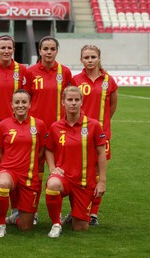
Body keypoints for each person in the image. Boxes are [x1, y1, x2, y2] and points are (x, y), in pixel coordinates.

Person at [45, 86, 107, 238]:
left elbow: (101, 153)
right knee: (52, 184)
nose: (73, 103)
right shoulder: (55, 127)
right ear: (63, 102)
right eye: (70, 100)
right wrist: (52, 168)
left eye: (76, 100)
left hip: (84, 181)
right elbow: (49, 149)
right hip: (64, 177)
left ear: (82, 102)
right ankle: (56, 223)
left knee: (80, 228)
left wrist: (102, 181)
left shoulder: (93, 125)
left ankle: (75, 214)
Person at [22, 36, 72, 224]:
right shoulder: (30, 72)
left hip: (59, 131)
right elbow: (25, 100)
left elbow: (71, 99)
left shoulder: (65, 72)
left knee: (59, 172)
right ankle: (31, 210)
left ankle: (56, 212)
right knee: (35, 172)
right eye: (45, 49)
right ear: (40, 51)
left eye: (52, 49)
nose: (49, 52)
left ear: (57, 51)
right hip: (35, 130)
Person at [71, 45, 118, 225]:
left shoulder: (109, 81)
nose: (90, 60)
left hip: (100, 135)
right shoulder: (76, 80)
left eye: (93, 57)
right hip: (78, 135)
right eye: (86, 57)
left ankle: (93, 213)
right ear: (81, 60)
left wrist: (100, 126)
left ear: (99, 58)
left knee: (98, 174)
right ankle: (78, 210)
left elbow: (112, 106)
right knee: (78, 173)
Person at [0, 89, 47, 238]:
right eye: (17, 102)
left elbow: (42, 151)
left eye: (24, 102)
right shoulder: (3, 124)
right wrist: (7, 165)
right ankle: (1, 225)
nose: (20, 105)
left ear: (30, 105)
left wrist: (31, 164)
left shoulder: (40, 125)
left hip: (29, 176)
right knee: (2, 184)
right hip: (9, 171)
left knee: (25, 227)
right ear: (12, 105)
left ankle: (14, 218)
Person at [0, 35, 27, 223]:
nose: (6, 51)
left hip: (16, 127)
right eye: (3, 48)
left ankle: (17, 209)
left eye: (9, 47)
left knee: (15, 168)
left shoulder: (22, 70)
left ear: (14, 49)